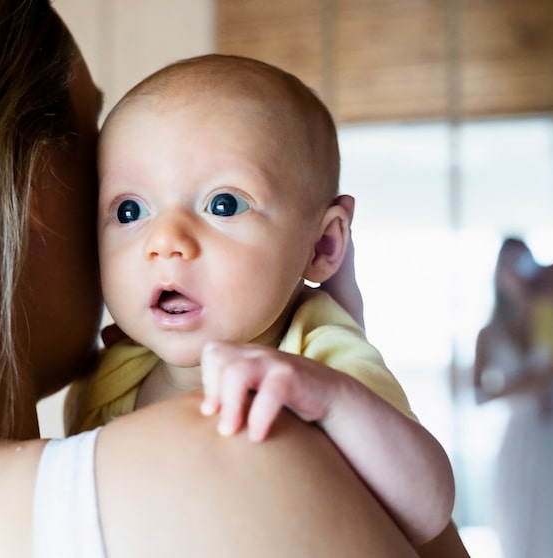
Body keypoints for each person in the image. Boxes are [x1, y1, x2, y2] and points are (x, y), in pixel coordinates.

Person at [0, 2, 468, 557]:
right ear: (22, 188)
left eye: (222, 203)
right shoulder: (223, 462)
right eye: (122, 193)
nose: (165, 242)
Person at [65, 54, 454, 544]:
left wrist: (332, 401)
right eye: (129, 210)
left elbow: (428, 509)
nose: (164, 240)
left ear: (322, 245)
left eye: (223, 204)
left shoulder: (317, 356)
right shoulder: (114, 377)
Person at [473, 237, 553, 558]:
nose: (516, 272)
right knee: (519, 533)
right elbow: (479, 395)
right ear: (498, 274)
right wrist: (529, 384)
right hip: (521, 440)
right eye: (507, 265)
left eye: (521, 262)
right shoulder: (489, 332)